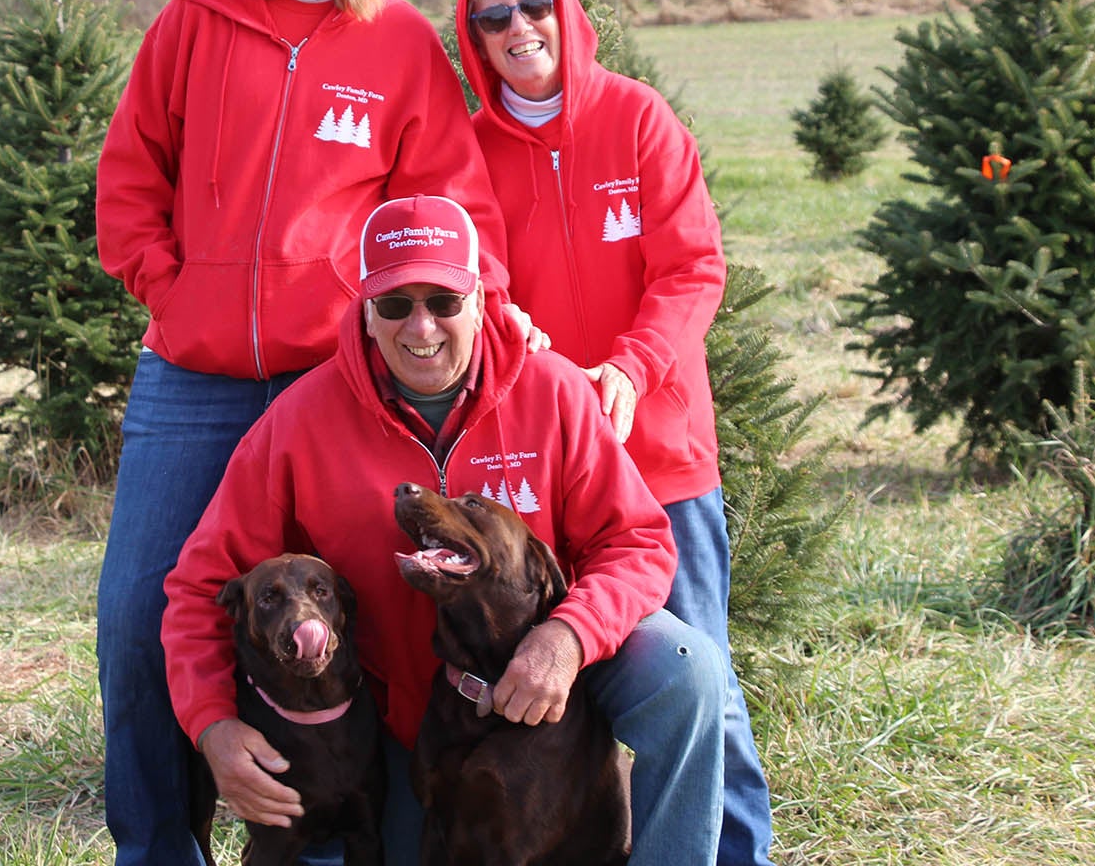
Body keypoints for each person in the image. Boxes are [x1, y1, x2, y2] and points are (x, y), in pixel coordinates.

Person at [94, 0, 512, 866]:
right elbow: (131, 173)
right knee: (142, 623)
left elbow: (455, 217)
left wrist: (460, 334)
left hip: (332, 383)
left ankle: (373, 831)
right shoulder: (195, 18)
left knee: (360, 616)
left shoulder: (400, 46)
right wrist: (171, 291)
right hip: (191, 378)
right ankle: (158, 849)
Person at [162, 194, 729, 866]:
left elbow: (635, 540)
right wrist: (213, 726)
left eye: (444, 301)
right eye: (396, 305)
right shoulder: (299, 423)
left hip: (551, 679)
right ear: (367, 315)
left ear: (483, 302)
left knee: (687, 673)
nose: (421, 327)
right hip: (408, 720)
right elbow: (203, 586)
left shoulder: (552, 392)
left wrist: (570, 636)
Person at [454, 0, 778, 866]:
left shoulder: (638, 120)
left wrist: (629, 372)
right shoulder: (472, 148)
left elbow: (690, 268)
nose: (518, 27)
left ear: (563, 8)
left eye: (532, 6)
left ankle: (737, 852)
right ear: (474, 40)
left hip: (664, 462)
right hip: (547, 478)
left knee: (700, 685)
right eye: (493, 17)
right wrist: (531, 350)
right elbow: (486, 280)